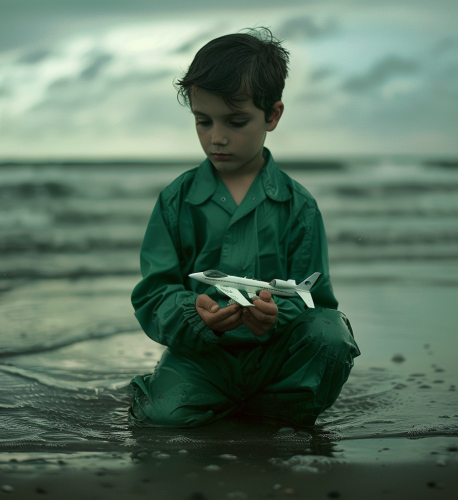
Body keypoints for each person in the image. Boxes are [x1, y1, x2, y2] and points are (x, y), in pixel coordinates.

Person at [129, 27, 360, 428]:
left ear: (272, 115)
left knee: (332, 335)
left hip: (276, 356)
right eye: (203, 121)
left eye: (236, 122)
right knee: (162, 419)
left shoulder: (298, 205)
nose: (216, 138)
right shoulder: (175, 201)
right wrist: (192, 315)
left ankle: (272, 408)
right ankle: (174, 392)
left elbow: (316, 302)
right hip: (203, 359)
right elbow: (153, 294)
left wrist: (276, 314)